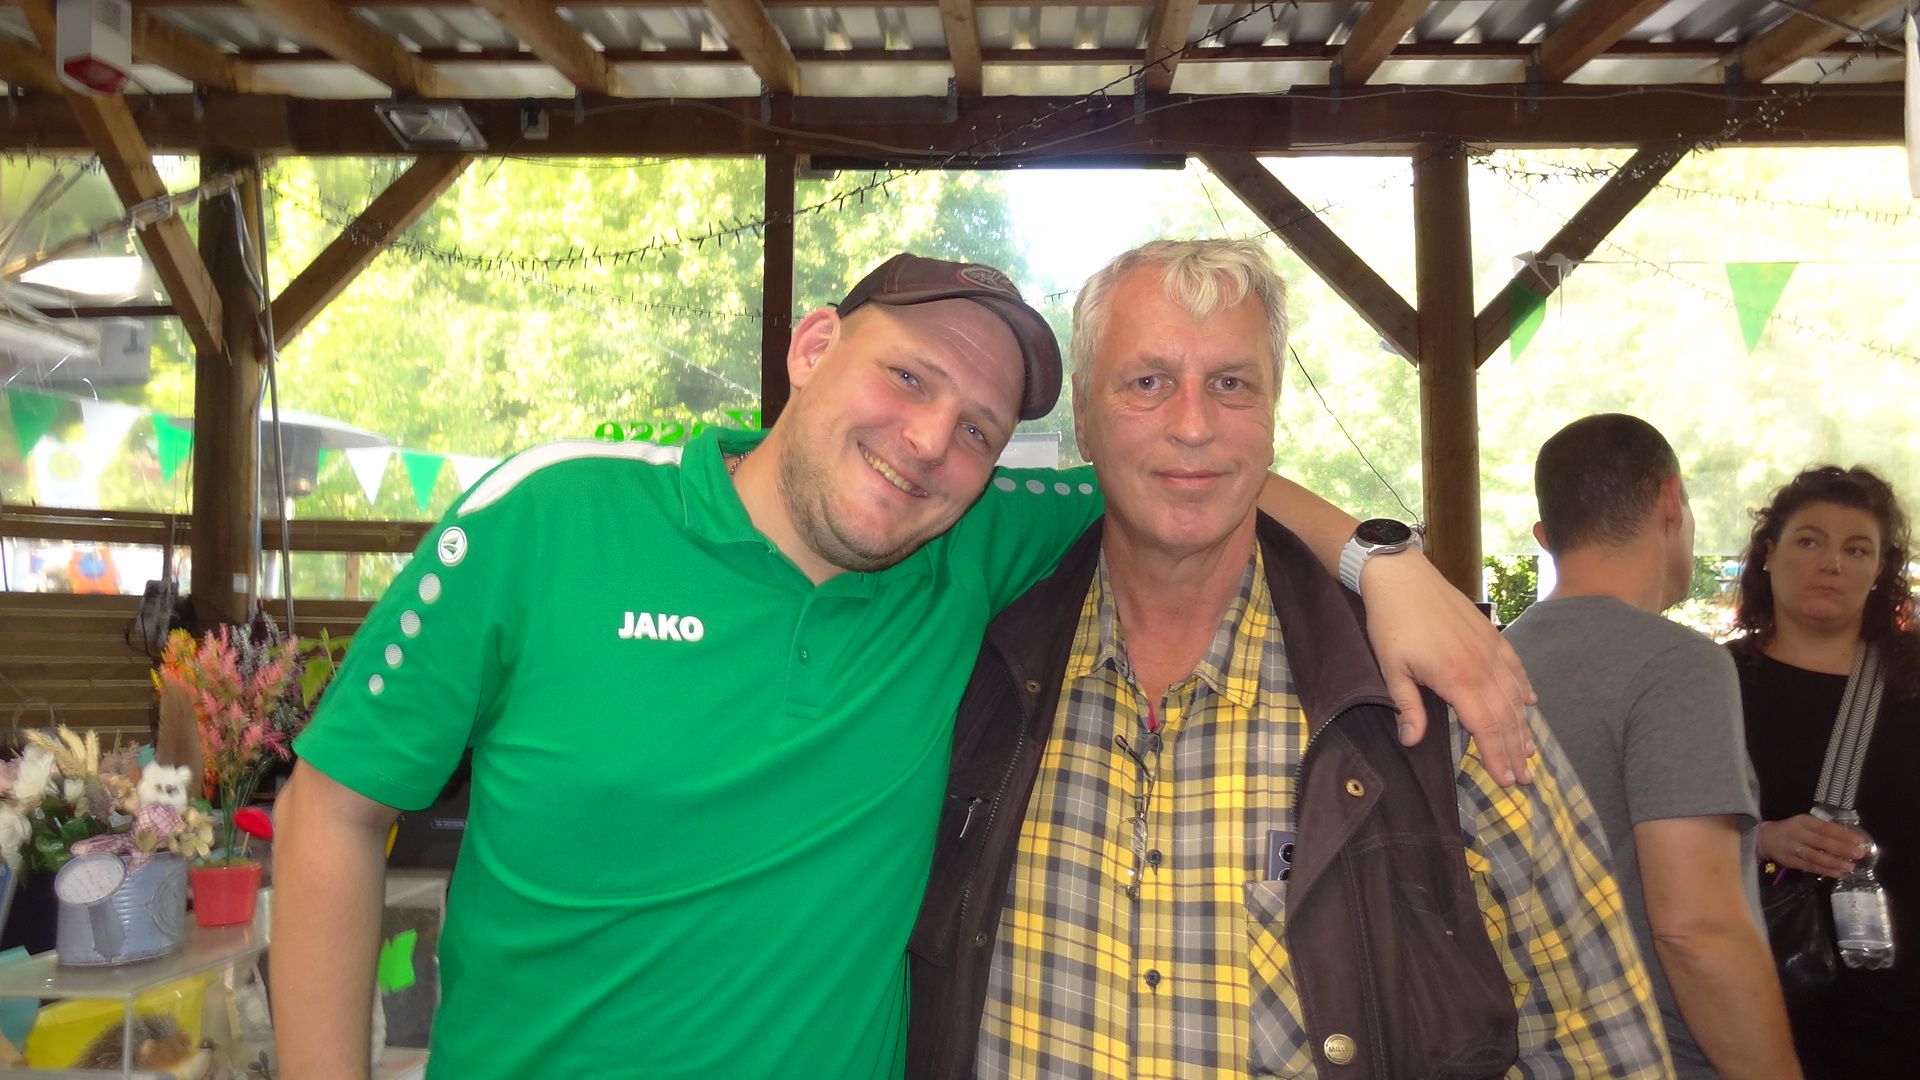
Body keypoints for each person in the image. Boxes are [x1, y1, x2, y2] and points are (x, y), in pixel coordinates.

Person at [271, 253, 1535, 1080]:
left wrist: (1379, 561)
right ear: (813, 346)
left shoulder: (963, 541)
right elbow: (333, 806)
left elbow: (1190, 465)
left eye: (979, 428)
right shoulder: (552, 518)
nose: (931, 442)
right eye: (906, 377)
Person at [907, 241, 1667, 1079]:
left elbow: (1600, 1041)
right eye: (1147, 382)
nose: (1192, 424)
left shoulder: (1433, 693)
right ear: (1083, 417)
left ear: (1274, 414)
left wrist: (1383, 564)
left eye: (1232, 384)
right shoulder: (982, 668)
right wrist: (1378, 556)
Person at [1504, 414, 1797, 1078]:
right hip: (1652, 1055)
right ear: (1671, 501)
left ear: (1545, 538)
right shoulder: (1676, 665)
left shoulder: (1490, 664)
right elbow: (1696, 929)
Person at [1729, 464, 1920, 1078]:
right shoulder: (1713, 682)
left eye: (1856, 549)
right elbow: (1656, 832)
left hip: (1900, 1005)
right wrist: (1760, 839)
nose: (1831, 563)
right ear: (1768, 553)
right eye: (1809, 541)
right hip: (1758, 991)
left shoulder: (1910, 685)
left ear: (1880, 570)